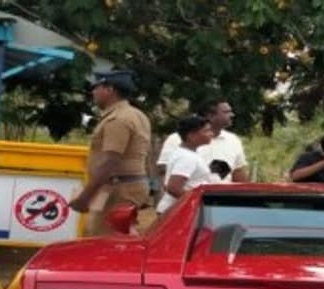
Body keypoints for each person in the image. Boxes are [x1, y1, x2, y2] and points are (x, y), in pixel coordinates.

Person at [70, 70, 154, 235]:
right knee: (121, 235)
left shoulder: (118, 120)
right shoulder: (137, 115)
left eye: (96, 87)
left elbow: (110, 162)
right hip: (128, 185)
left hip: (118, 188)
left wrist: (85, 197)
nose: (93, 92)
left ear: (110, 90)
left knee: (104, 238)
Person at [157, 97, 249, 184]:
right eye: (226, 112)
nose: (232, 115)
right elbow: (164, 171)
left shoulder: (233, 140)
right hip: (187, 198)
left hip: (222, 199)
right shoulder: (178, 139)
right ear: (211, 116)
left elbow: (238, 174)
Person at [157, 115, 216, 214]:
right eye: (206, 131)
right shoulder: (187, 157)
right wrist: (197, 201)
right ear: (191, 135)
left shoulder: (187, 154)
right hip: (176, 212)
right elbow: (174, 188)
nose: (211, 134)